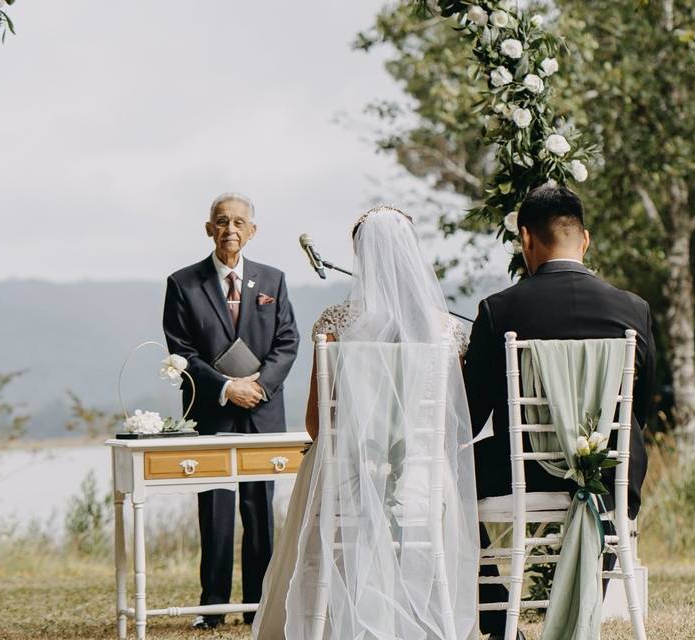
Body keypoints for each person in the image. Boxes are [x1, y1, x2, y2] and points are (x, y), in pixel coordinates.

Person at [253, 205, 478, 640]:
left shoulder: (336, 325)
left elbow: (317, 427)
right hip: (424, 481)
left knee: (321, 470)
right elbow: (453, 423)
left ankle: (330, 619)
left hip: (351, 480)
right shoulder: (449, 332)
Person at [463, 185, 656, 640]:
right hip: (610, 473)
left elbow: (469, 418)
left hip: (523, 471)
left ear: (526, 239)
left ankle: (497, 620)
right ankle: (581, 608)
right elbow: (640, 409)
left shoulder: (498, 310)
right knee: (628, 453)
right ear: (584, 239)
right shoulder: (634, 310)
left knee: (451, 477)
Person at [162, 192, 300, 629]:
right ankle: (213, 609)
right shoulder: (183, 284)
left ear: (252, 231)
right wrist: (226, 387)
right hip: (213, 412)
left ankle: (258, 608)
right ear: (209, 229)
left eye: (239, 222)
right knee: (217, 512)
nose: (230, 230)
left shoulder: (273, 281)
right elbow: (181, 351)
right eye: (222, 222)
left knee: (260, 512)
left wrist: (258, 386)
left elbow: (288, 341)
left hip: (263, 412)